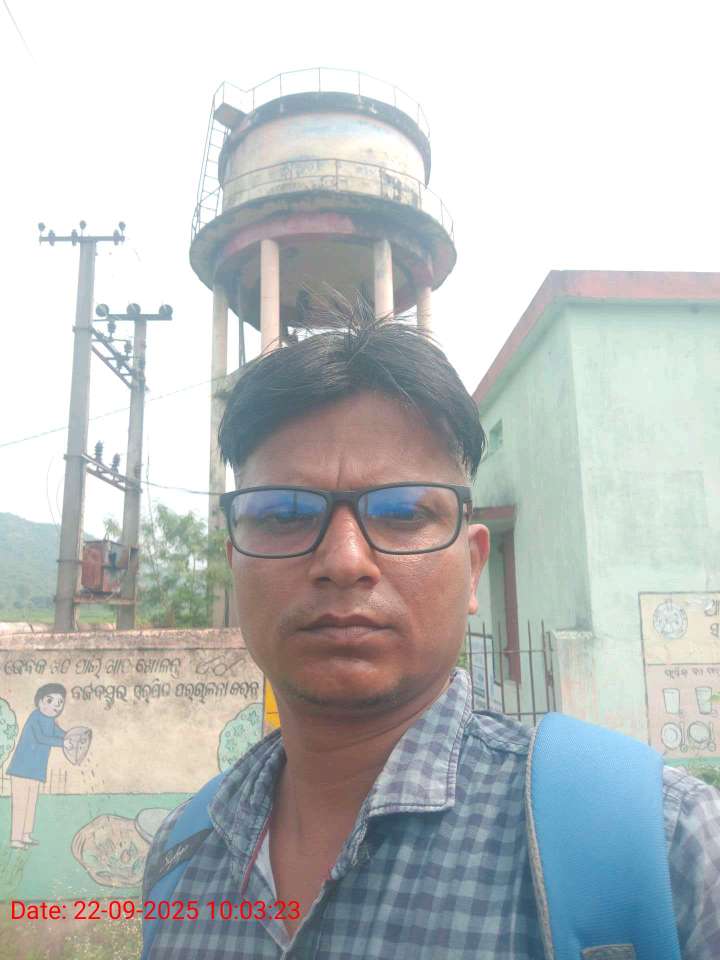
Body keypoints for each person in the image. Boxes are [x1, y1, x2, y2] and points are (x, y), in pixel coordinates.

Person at [143, 293, 720, 958]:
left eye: (402, 512)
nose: (344, 562)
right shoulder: (181, 857)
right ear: (235, 562)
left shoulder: (667, 843)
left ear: (472, 566)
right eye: (283, 515)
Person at [6, 683, 67, 849]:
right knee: (20, 804)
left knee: (31, 804)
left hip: (35, 771)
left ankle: (25, 835)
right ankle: (15, 838)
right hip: (21, 770)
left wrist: (71, 737)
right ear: (40, 702)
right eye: (50, 700)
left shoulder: (50, 721)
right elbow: (41, 738)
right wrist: (63, 743)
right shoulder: (35, 717)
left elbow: (60, 733)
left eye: (60, 702)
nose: (56, 705)